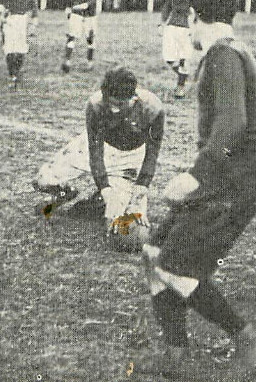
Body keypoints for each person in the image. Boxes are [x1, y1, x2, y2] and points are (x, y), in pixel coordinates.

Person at [138, 0, 256, 378]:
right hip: (223, 180)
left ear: (195, 16)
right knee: (154, 254)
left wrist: (196, 175)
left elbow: (232, 123)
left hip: (235, 183)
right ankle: (176, 351)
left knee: (177, 266)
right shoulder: (228, 52)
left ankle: (248, 337)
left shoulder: (224, 56)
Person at [34, 67, 164, 247]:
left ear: (133, 99)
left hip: (129, 157)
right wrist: (104, 186)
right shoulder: (95, 104)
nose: (112, 109)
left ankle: (98, 203)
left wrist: (142, 184)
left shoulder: (152, 108)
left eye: (118, 105)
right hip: (92, 148)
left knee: (121, 223)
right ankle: (67, 193)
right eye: (109, 102)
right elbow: (95, 150)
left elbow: (152, 150)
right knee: (43, 180)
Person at [0, 0, 39, 90]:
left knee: (20, 48)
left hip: (23, 19)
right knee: (9, 48)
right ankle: (12, 75)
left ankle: (17, 72)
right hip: (9, 18)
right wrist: (0, 7)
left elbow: (34, 3)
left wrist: (34, 20)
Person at [158, 0, 195, 98]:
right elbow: (167, 6)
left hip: (187, 24)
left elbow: (198, 8)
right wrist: (162, 23)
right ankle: (182, 74)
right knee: (168, 56)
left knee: (184, 56)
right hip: (173, 23)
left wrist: (195, 25)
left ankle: (180, 86)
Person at [61, 0, 100, 73]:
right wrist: (68, 6)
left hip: (89, 13)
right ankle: (67, 60)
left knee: (90, 37)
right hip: (76, 11)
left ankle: (90, 61)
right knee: (72, 35)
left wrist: (87, 4)